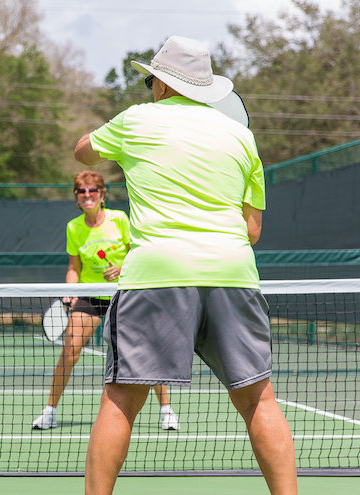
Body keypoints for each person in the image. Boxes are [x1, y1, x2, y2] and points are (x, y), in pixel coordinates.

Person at [75, 36, 297, 494]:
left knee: (120, 400)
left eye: (149, 78)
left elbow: (83, 151)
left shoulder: (135, 120)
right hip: (233, 274)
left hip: (157, 276)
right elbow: (252, 231)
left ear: (160, 84)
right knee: (259, 399)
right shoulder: (241, 136)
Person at [32, 171, 179, 432]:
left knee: (145, 351)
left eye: (92, 190)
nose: (87, 195)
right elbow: (73, 267)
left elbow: (140, 251)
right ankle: (49, 412)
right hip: (90, 295)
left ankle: (166, 411)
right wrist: (69, 290)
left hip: (124, 292)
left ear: (102, 195)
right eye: (81, 192)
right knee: (69, 349)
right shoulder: (73, 227)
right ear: (76, 198)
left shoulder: (119, 219)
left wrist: (123, 267)